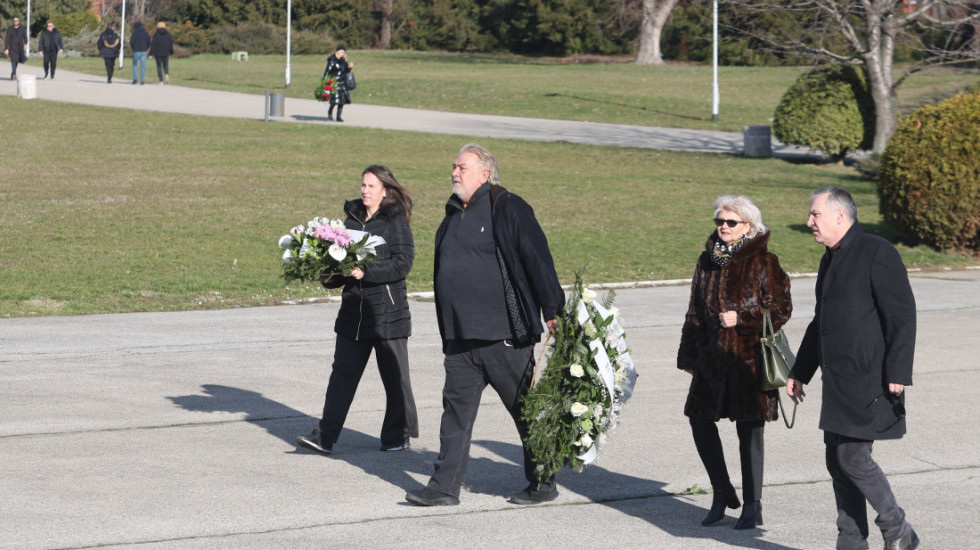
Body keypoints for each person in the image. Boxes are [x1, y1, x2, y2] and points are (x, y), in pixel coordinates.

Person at [405, 144, 565, 507]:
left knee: (526, 412)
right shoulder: (452, 213)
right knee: (455, 415)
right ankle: (444, 488)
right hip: (462, 339)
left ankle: (543, 482)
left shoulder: (507, 207)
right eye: (453, 166)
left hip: (504, 336)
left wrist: (553, 308)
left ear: (485, 172)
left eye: (461, 166)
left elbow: (538, 257)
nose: (454, 172)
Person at [787, 187, 919, 550]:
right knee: (836, 459)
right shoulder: (830, 258)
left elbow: (902, 316)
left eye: (815, 215)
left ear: (840, 217)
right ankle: (851, 540)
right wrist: (800, 371)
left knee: (852, 457)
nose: (809, 221)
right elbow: (821, 322)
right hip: (838, 380)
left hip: (870, 378)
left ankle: (898, 531)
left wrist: (898, 371)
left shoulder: (877, 252)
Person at [677, 195, 792, 529]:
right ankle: (721, 490)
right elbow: (694, 311)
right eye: (719, 221)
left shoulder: (764, 261)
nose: (723, 227)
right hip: (711, 358)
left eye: (731, 222)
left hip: (748, 359)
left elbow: (781, 309)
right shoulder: (707, 261)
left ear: (749, 226)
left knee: (749, 430)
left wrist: (741, 317)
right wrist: (689, 355)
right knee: (699, 419)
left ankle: (753, 505)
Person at [295, 165, 419, 455]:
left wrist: (368, 271)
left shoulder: (395, 222)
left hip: (387, 315)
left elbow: (404, 263)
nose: (364, 190)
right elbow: (341, 268)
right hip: (353, 314)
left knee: (395, 381)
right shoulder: (350, 221)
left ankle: (395, 436)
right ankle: (325, 437)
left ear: (385, 191)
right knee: (341, 377)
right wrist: (326, 277)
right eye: (363, 185)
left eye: (371, 186)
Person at [322, 46, 353, 122]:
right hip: (334, 82)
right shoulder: (332, 60)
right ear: (337, 52)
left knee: (342, 101)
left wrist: (349, 67)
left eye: (344, 52)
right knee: (335, 101)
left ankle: (338, 116)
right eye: (341, 52)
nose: (343, 53)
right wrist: (325, 82)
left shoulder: (344, 61)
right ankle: (330, 111)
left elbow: (346, 71)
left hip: (342, 83)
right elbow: (327, 72)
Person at [4, 16, 27, 81]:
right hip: (12, 48)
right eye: (14, 21)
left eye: (17, 20)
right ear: (12, 21)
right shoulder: (10, 29)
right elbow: (7, 39)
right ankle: (14, 74)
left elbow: (25, 37)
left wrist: (25, 43)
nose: (15, 22)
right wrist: (6, 48)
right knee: (13, 60)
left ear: (18, 21)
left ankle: (13, 73)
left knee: (16, 61)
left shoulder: (22, 29)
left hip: (20, 48)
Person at [129, 21, 151, 85]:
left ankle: (135, 79)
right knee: (143, 66)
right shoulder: (146, 33)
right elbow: (149, 42)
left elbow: (131, 42)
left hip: (136, 51)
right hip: (144, 51)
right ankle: (142, 80)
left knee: (135, 65)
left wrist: (133, 48)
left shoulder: (134, 33)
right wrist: (145, 48)